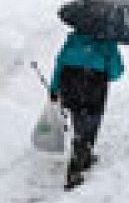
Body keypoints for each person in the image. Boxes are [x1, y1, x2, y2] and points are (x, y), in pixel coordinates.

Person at [49, 31, 124, 190]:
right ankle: (75, 169)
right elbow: (116, 72)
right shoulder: (108, 42)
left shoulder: (73, 39)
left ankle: (86, 155)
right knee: (92, 123)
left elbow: (60, 64)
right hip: (94, 86)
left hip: (71, 86)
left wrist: (54, 88)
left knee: (79, 120)